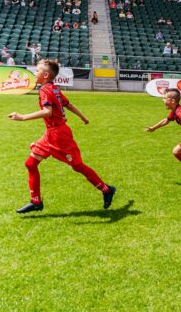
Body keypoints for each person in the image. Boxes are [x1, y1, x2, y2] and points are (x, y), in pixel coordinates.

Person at [8, 59, 116, 213]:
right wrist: (83, 117)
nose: (34, 72)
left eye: (37, 70)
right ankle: (36, 201)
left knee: (77, 166)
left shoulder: (45, 90)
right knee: (31, 163)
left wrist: (23, 117)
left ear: (45, 75)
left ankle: (106, 189)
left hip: (59, 135)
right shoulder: (54, 88)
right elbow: (68, 104)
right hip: (51, 133)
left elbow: (48, 112)